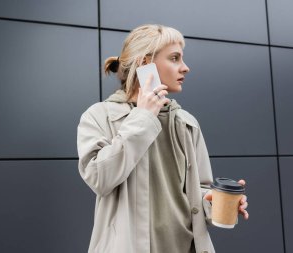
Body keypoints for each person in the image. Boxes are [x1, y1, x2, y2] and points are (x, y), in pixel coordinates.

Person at [77, 24, 249, 253]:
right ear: (145, 64)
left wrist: (213, 200)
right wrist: (144, 117)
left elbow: (199, 190)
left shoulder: (187, 123)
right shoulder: (99, 116)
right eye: (175, 58)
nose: (185, 68)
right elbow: (100, 178)